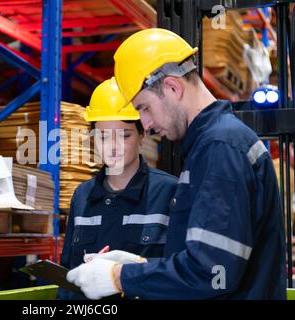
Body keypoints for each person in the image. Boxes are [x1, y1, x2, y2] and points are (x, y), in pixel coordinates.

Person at [66, 28, 286, 300]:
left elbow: (213, 273)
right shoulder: (212, 146)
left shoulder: (219, 148)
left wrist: (119, 277)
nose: (145, 124)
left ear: (172, 86)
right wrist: (142, 267)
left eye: (144, 108)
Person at [58, 77, 177, 299]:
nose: (112, 147)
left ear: (142, 135)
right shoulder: (82, 196)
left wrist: (134, 269)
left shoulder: (170, 192)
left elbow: (181, 273)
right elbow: (69, 275)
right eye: (103, 136)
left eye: (123, 135)